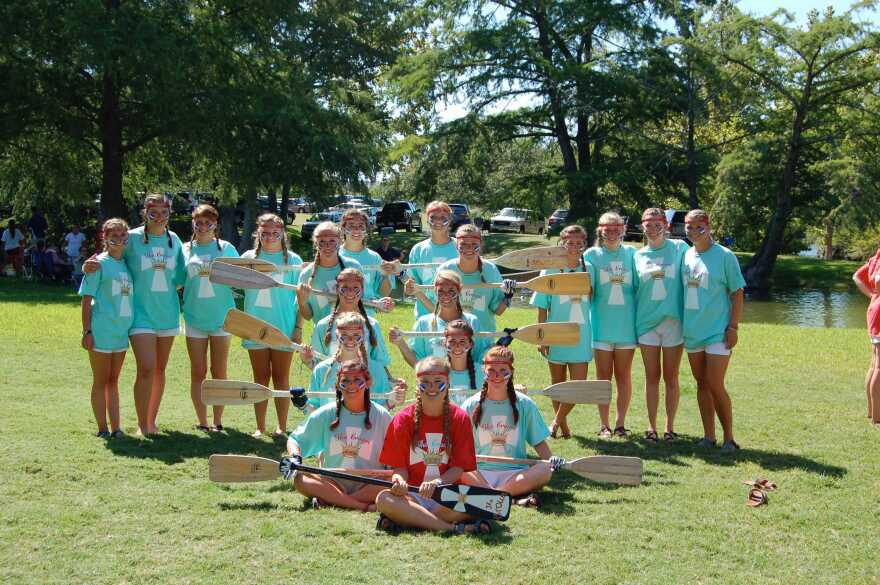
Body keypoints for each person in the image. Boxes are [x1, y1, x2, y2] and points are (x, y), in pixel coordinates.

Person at [83, 194, 186, 436]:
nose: (159, 217)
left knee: (159, 370)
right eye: (153, 213)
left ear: (169, 213)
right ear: (145, 213)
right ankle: (142, 425)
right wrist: (89, 265)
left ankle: (151, 422)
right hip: (139, 315)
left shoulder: (174, 240)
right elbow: (112, 254)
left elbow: (181, 277)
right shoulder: (132, 238)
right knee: (147, 368)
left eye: (164, 212)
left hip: (168, 313)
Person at [375, 357, 488, 535]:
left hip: (449, 496)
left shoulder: (460, 418)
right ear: (417, 385)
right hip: (412, 496)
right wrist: (399, 481)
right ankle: (452, 527)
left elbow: (458, 469)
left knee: (479, 501)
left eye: (438, 382)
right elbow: (399, 468)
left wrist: (437, 482)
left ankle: (412, 519)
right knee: (383, 499)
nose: (431, 388)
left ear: (448, 383)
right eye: (425, 382)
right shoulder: (402, 419)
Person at [285, 359, 398, 512]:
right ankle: (362, 506)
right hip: (333, 482)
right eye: (345, 381)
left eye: (357, 380)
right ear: (338, 384)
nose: (351, 385)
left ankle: (333, 499)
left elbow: (395, 458)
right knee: (300, 479)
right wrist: (295, 457)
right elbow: (295, 439)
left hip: (370, 482)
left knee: (393, 480)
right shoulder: (327, 413)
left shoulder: (382, 415)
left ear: (368, 382)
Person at [462, 346, 559, 508]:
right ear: (484, 371)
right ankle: (511, 499)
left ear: (511, 372)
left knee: (544, 469)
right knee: (459, 469)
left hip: (516, 474)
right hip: (480, 474)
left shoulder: (525, 404)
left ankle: (493, 496)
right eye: (491, 371)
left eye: (503, 371)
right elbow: (459, 447)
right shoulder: (470, 405)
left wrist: (551, 462)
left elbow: (539, 443)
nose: (497, 376)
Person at [682, 209, 744, 452]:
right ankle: (709, 436)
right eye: (689, 226)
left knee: (715, 383)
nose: (694, 231)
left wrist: (733, 327)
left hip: (718, 331)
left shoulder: (725, 256)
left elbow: (737, 293)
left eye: (699, 226)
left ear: (708, 227)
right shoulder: (687, 255)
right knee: (701, 383)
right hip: (693, 331)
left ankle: (729, 439)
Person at [239, 213, 303, 437]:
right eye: (264, 232)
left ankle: (281, 427)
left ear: (282, 233)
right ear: (258, 233)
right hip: (254, 326)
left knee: (281, 378)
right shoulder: (248, 258)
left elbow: (300, 299)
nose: (269, 236)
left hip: (283, 327)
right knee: (260, 378)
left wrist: (298, 328)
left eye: (275, 232)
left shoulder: (293, 261)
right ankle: (260, 426)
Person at [182, 204, 239, 432]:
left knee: (219, 372)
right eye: (199, 222)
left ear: (215, 224)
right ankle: (202, 421)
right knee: (198, 372)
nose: (203, 226)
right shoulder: (185, 249)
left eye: (208, 222)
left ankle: (217, 421)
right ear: (193, 223)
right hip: (194, 317)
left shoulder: (226, 248)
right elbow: (175, 279)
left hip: (222, 318)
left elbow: (241, 277)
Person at [531, 224, 592, 439]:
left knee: (578, 386)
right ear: (561, 243)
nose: (574, 247)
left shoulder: (590, 268)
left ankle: (555, 422)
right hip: (555, 332)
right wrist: (542, 337)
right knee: (557, 385)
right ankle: (563, 427)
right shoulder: (550, 269)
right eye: (569, 243)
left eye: (579, 243)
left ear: (584, 244)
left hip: (581, 334)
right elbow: (542, 306)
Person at [633, 208, 689, 442]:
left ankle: (669, 427)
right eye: (648, 224)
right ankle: (652, 427)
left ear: (666, 226)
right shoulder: (637, 256)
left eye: (658, 224)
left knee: (671, 376)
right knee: (651, 377)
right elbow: (633, 291)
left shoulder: (680, 248)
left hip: (673, 322)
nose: (653, 228)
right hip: (646, 324)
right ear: (642, 226)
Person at [78, 218, 133, 439]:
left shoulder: (127, 264)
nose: (118, 239)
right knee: (101, 381)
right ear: (105, 237)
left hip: (121, 333)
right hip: (101, 331)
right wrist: (87, 331)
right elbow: (86, 299)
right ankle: (102, 428)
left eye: (122, 234)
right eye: (114, 235)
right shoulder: (98, 264)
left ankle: (116, 427)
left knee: (114, 381)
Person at [585, 211, 637, 438]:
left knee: (624, 376)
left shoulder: (632, 254)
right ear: (600, 230)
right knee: (603, 378)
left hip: (626, 327)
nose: (612, 232)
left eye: (617, 228)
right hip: (601, 326)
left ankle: (620, 424)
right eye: (608, 228)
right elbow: (586, 290)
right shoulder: (591, 255)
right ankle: (604, 425)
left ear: (623, 230)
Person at [302, 312, 402, 411]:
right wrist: (303, 405)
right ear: (336, 335)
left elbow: (380, 414)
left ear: (363, 336)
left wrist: (391, 402)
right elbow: (315, 412)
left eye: (356, 335)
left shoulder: (377, 370)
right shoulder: (321, 370)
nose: (350, 340)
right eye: (344, 335)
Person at [389, 269, 484, 369]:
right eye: (441, 291)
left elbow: (480, 356)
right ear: (435, 291)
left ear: (459, 291)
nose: (446, 295)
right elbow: (417, 362)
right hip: (434, 379)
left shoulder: (472, 321)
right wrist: (400, 343)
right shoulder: (423, 323)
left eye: (451, 291)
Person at [437, 223, 516, 334]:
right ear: (456, 245)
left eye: (474, 244)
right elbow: (436, 309)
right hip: (454, 340)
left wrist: (508, 295)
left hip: (483, 338)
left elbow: (498, 310)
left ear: (481, 244)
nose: (469, 248)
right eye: (463, 244)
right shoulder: (445, 269)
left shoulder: (490, 269)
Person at [308, 268, 393, 366]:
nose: (350, 292)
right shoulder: (323, 325)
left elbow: (381, 363)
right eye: (345, 287)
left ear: (362, 290)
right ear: (336, 289)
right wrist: (308, 360)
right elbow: (317, 366)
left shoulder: (372, 325)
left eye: (355, 288)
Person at [297, 221, 363, 323]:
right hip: (322, 331)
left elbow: (365, 303)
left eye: (332, 241)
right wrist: (302, 302)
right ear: (315, 243)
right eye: (322, 241)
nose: (327, 246)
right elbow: (308, 316)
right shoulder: (306, 274)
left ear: (340, 241)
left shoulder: (353, 267)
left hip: (351, 331)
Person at [405, 201, 459, 319]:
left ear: (450, 220)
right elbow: (412, 285)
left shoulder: (460, 247)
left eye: (443, 218)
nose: (438, 221)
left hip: (456, 316)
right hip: (425, 316)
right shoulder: (418, 249)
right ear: (427, 220)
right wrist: (409, 288)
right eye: (433, 217)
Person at [339, 209, 395, 311]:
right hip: (339, 316)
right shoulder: (334, 255)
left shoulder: (374, 258)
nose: (356, 230)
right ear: (343, 229)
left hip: (367, 316)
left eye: (361, 226)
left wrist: (386, 275)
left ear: (366, 230)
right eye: (351, 225)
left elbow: (383, 294)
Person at [853, 250, 880, 428]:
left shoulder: (876, 257)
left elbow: (856, 276)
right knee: (879, 367)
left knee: (874, 364)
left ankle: (872, 412)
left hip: (875, 309)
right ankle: (877, 418)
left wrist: (872, 295)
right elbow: (878, 281)